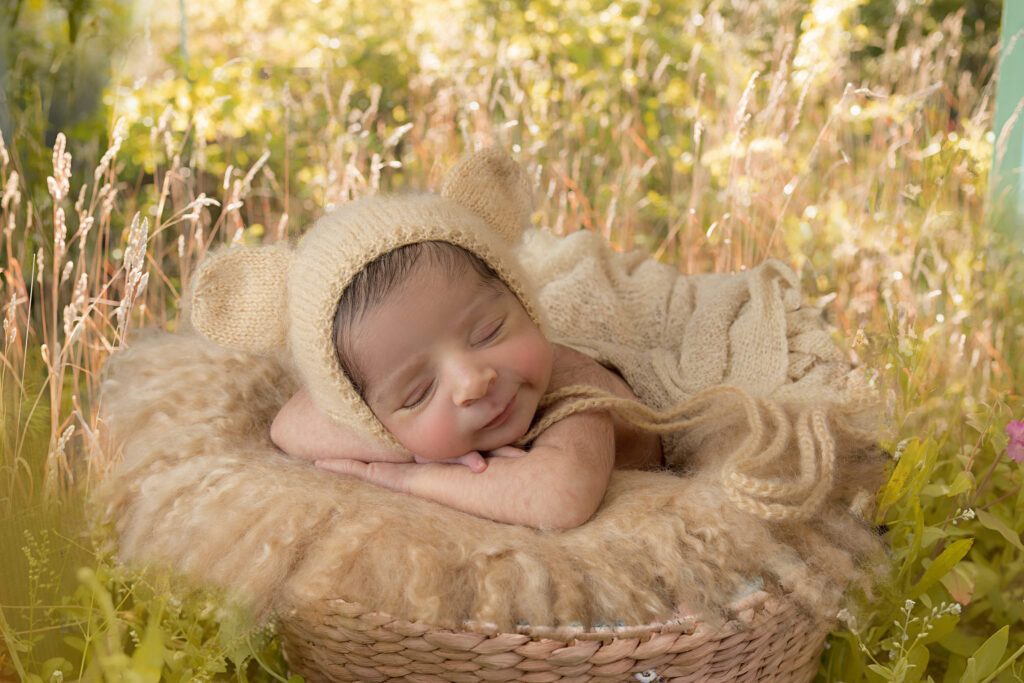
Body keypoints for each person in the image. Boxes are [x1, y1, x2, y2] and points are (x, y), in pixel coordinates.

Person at [270, 239, 664, 530]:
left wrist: (413, 474)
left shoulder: (576, 384)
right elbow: (288, 424)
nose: (473, 382)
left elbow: (560, 499)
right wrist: (419, 447)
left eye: (487, 333)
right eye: (419, 392)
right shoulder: (387, 386)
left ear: (524, 305)